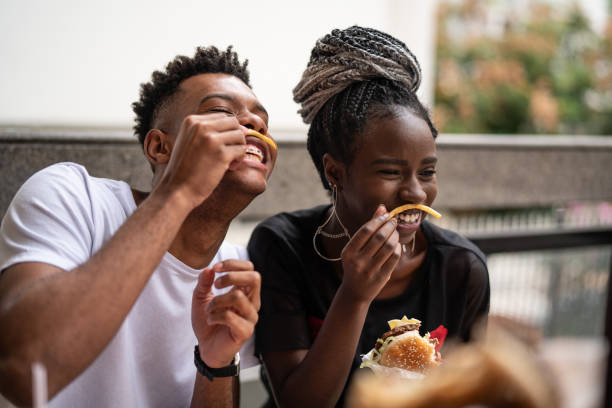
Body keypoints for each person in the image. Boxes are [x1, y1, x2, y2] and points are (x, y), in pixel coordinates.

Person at [0, 45, 277, 407]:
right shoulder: (72, 197)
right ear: (160, 148)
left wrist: (216, 364)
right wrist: (179, 192)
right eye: (222, 112)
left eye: (260, 122)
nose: (254, 125)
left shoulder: (236, 274)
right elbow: (24, 371)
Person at [247, 26, 490, 407]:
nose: (415, 193)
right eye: (391, 173)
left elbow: (465, 394)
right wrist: (355, 296)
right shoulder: (282, 246)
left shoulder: (460, 268)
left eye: (427, 172)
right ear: (335, 172)